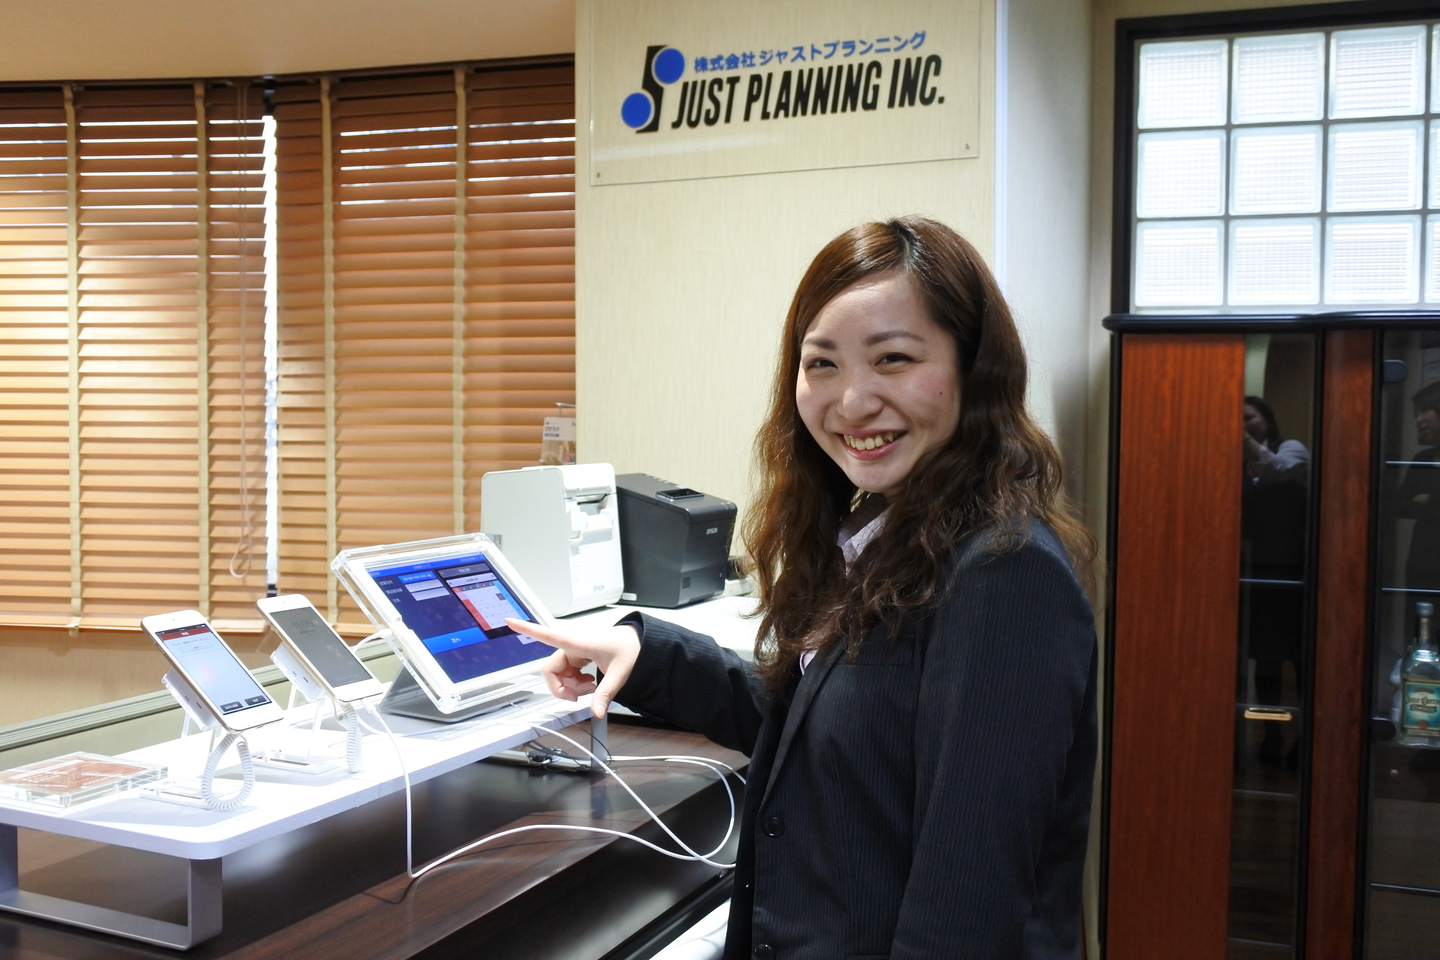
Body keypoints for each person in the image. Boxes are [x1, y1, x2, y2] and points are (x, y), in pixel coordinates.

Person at [509, 217, 1098, 960]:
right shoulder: (880, 533)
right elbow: (829, 734)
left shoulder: (1004, 572)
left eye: (892, 358)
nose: (851, 402)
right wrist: (648, 651)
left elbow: (966, 905)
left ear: (974, 367)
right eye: (822, 364)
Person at [1238, 396, 1309, 765]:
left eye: (1248, 417)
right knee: (1265, 658)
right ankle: (1271, 735)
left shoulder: (1291, 447)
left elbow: (1280, 470)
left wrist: (1245, 441)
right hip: (1256, 571)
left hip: (1295, 569)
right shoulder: (1233, 463)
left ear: (1266, 418)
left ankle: (1306, 739)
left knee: (1300, 656)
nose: (1243, 424)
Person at [1395, 381, 1440, 590]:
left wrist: (1427, 499)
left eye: (1424, 411)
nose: (1418, 420)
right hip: (1422, 561)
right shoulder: (1422, 458)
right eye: (1416, 414)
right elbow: (1400, 505)